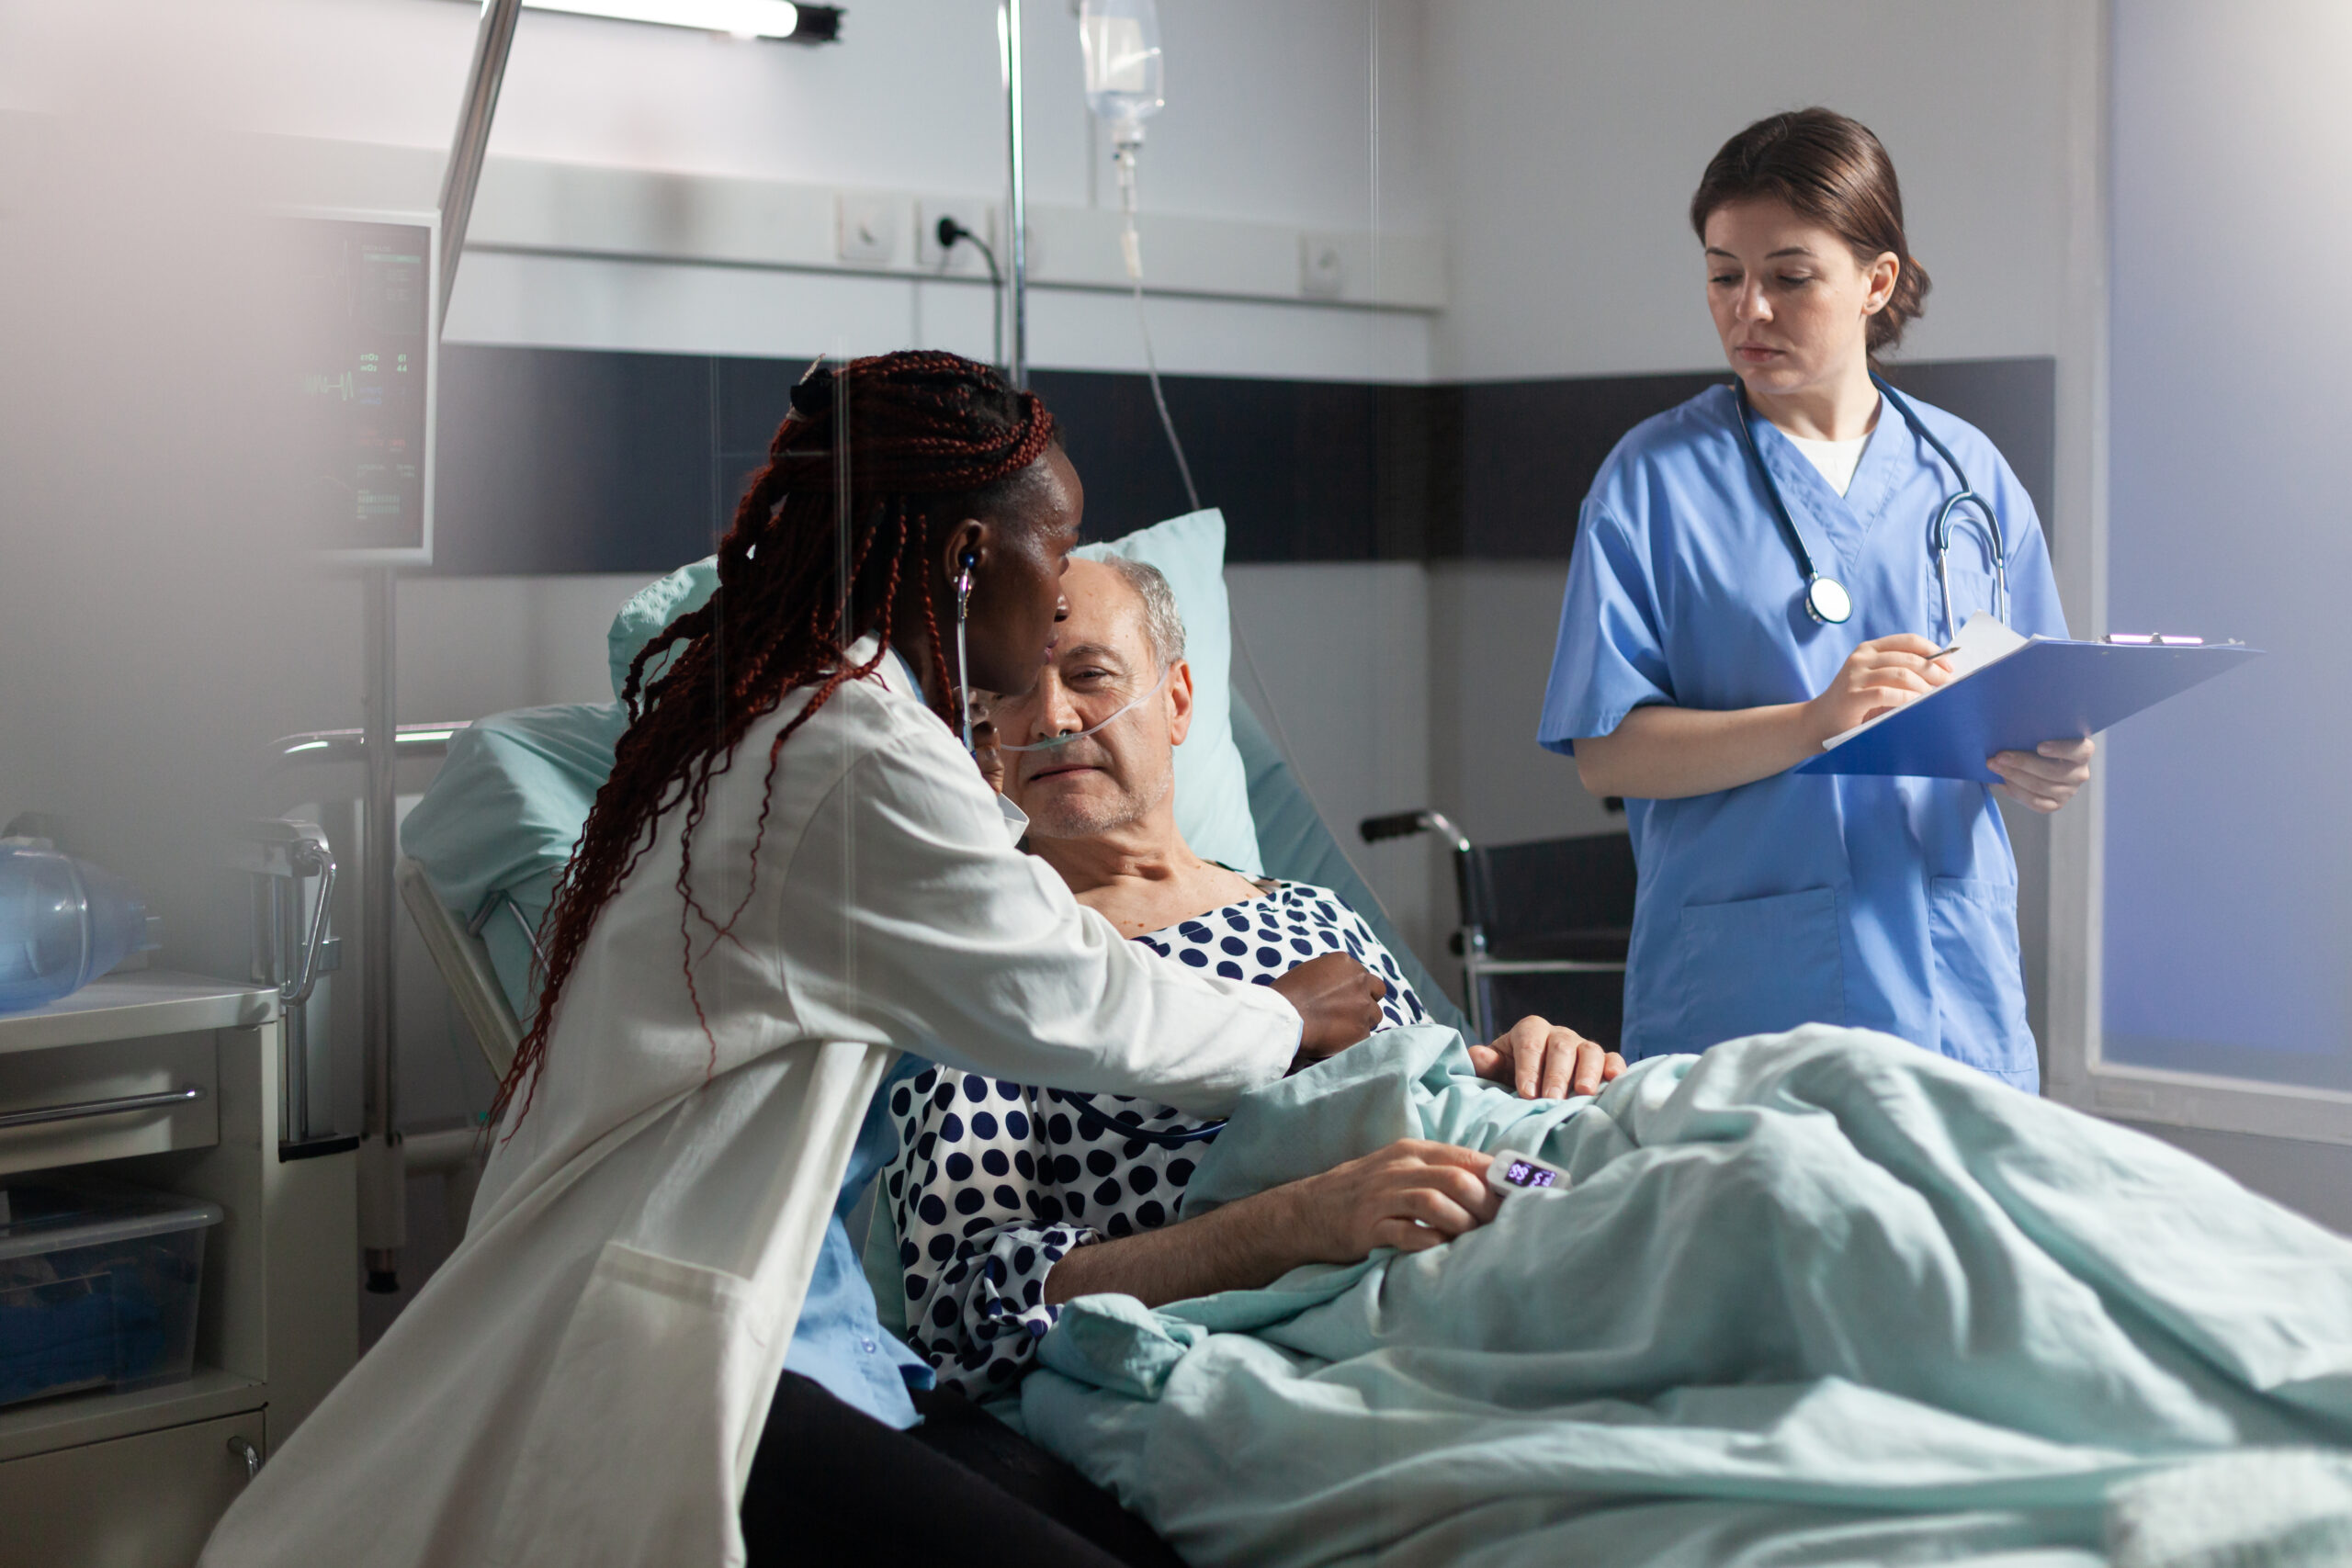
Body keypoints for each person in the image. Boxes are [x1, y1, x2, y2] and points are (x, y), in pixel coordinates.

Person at [201, 354, 1391, 1568]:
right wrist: (1283, 1018)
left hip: (830, 1349)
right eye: (1062, 543)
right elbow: (1071, 997)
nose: (1067, 598)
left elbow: (1011, 921)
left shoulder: (816, 717)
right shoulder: (851, 749)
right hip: (702, 1361)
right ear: (970, 556)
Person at [887, 556, 1623, 1395]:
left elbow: (1436, 1088)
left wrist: (1536, 1061)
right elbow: (963, 1309)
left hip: (1517, 1193)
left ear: (1177, 700)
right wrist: (1296, 1223)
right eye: (1013, 690)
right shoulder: (993, 969)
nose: (1051, 715)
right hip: (1365, 1314)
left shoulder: (1317, 913)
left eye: (1089, 674)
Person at [1540, 109, 2093, 1089]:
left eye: (1789, 277)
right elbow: (1606, 753)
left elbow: (2027, 697)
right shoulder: (1651, 481)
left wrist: (2046, 760)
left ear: (1876, 282)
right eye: (1722, 275)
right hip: (1748, 1000)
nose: (1746, 309)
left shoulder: (1967, 474)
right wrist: (1812, 721)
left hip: (1951, 989)